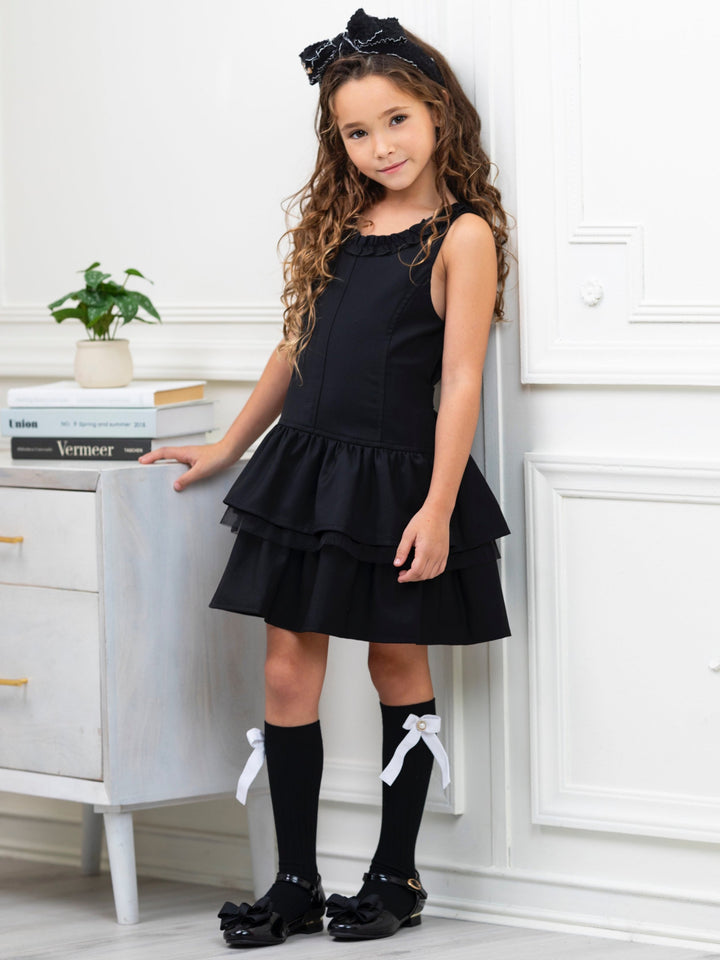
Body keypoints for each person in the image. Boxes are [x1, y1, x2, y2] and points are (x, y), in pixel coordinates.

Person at [139, 7, 511, 948]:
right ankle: (295, 879)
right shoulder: (338, 224)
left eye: (397, 120)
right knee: (286, 664)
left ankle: (396, 875)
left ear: (437, 114)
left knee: (396, 661)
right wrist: (227, 446)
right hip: (304, 471)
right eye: (356, 131)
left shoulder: (463, 235)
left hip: (396, 483)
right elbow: (294, 348)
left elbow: (462, 379)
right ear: (336, 140)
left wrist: (438, 506)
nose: (381, 146)